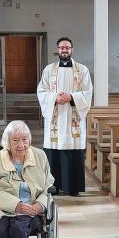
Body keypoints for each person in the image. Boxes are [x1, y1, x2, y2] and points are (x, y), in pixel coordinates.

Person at [36, 37, 93, 196]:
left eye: (67, 47)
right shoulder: (49, 70)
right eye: (61, 47)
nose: (64, 50)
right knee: (54, 153)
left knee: (73, 153)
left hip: (73, 118)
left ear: (72, 50)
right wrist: (54, 98)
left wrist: (72, 97)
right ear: (58, 50)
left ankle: (73, 188)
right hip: (56, 116)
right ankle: (53, 187)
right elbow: (41, 91)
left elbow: (88, 92)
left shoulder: (82, 70)